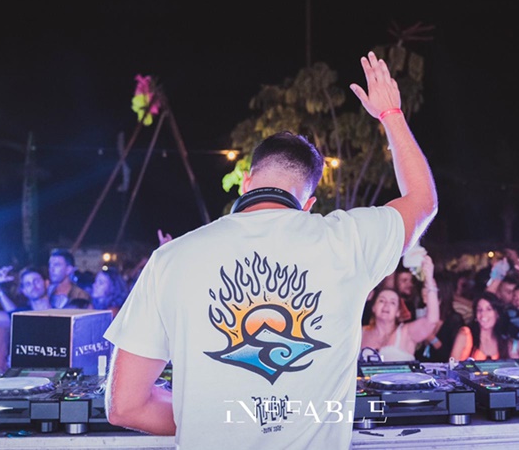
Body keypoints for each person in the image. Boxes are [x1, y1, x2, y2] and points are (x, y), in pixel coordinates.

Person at [103, 50, 437, 449]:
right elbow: (422, 200)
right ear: (309, 203)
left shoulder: (171, 259)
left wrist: (213, 420)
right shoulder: (347, 240)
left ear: (246, 182)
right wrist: (391, 114)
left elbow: (125, 406)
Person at [360, 254, 439, 361]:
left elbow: (432, 320)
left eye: (392, 303)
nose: (386, 305)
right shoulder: (360, 333)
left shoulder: (406, 333)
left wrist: (429, 278)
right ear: (373, 307)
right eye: (382, 300)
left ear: (398, 312)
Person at [450, 291, 519, 361]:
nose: (483, 314)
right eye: (479, 310)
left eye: (489, 309)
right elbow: (452, 367)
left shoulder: (503, 339)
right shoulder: (465, 334)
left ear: (497, 314)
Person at [417, 272, 465, 362]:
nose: (424, 291)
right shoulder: (422, 314)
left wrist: (431, 338)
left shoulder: (454, 320)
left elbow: (451, 357)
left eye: (429, 288)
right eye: (424, 287)